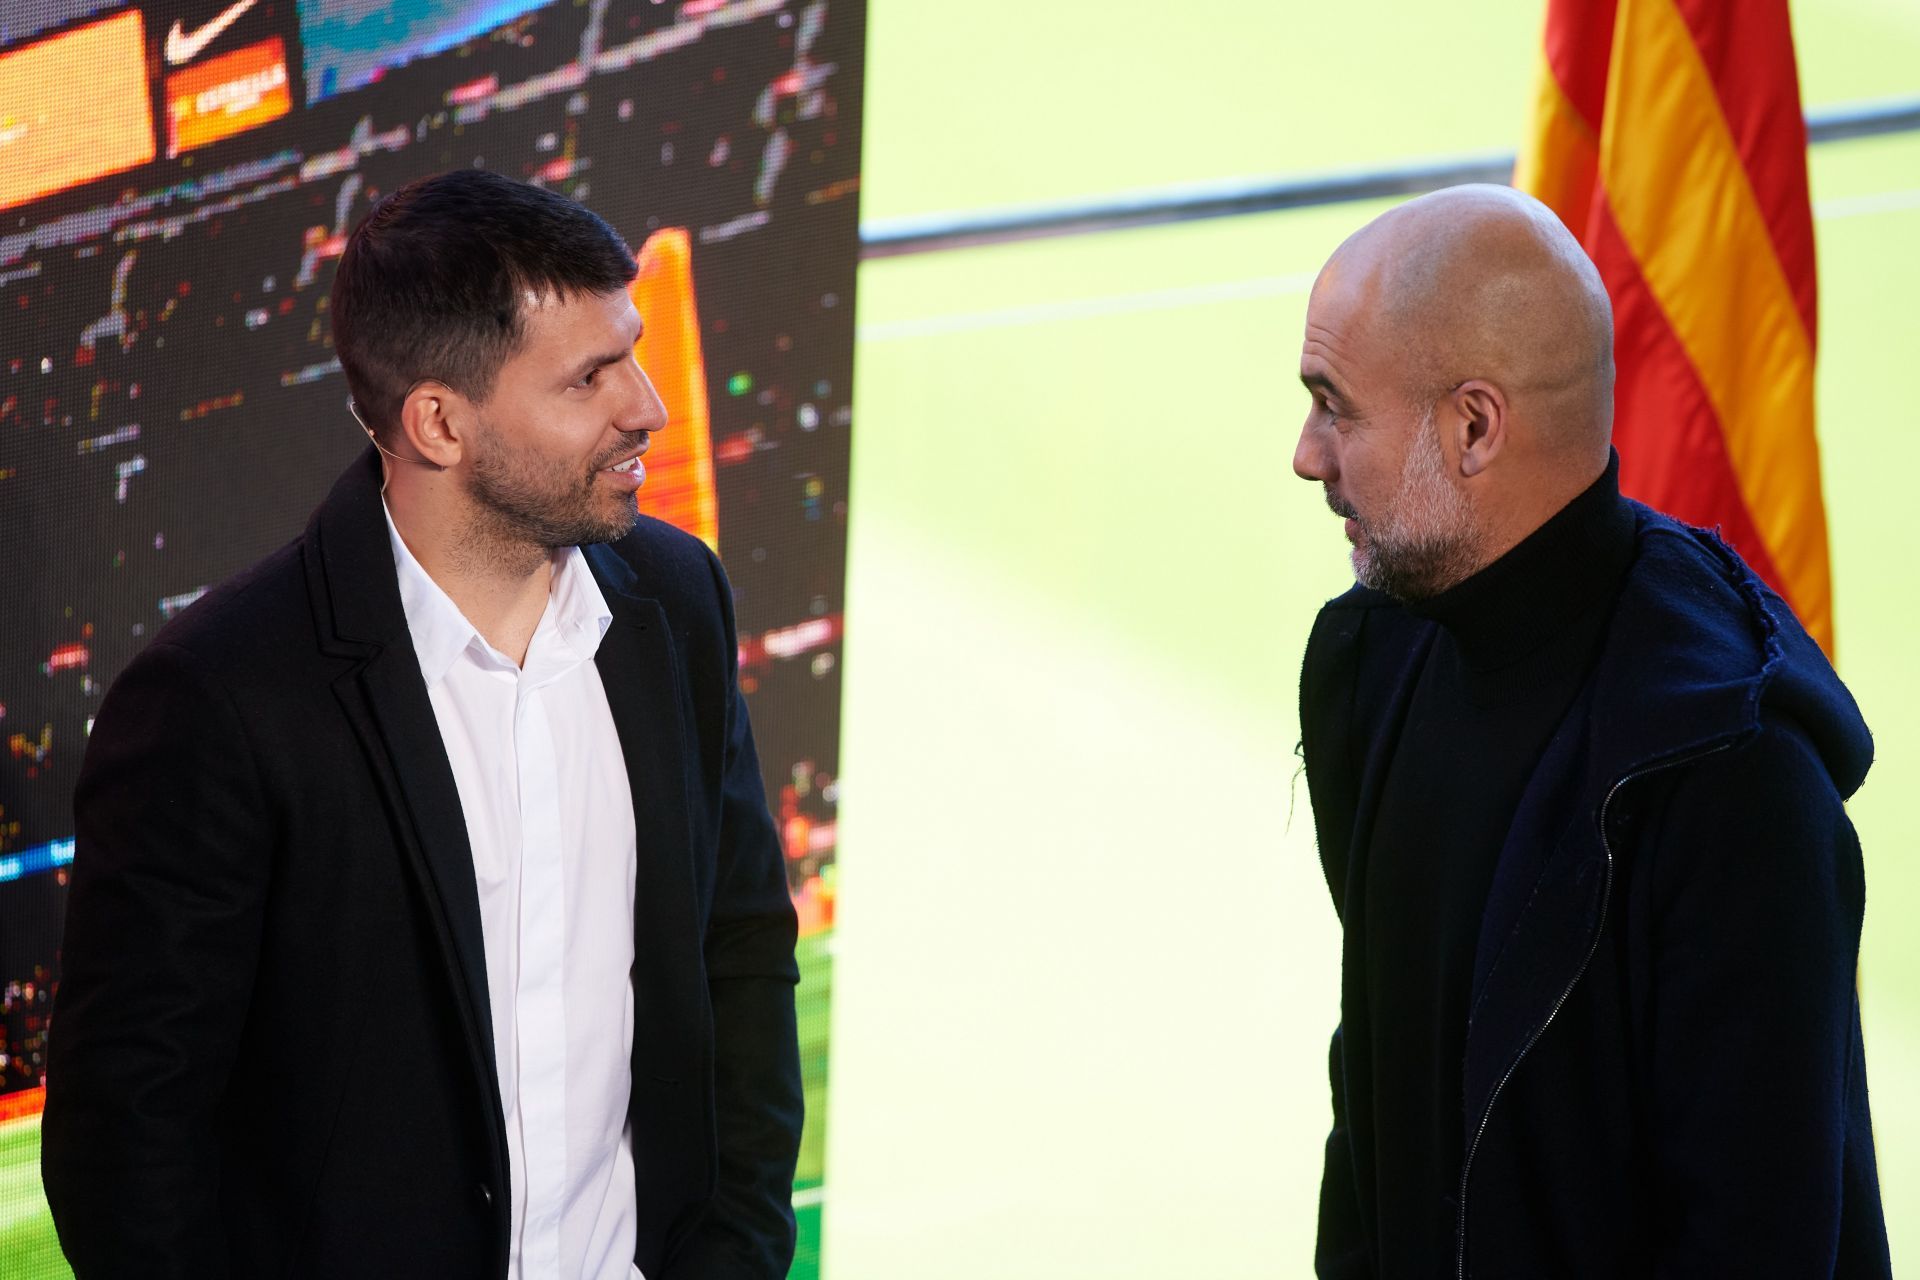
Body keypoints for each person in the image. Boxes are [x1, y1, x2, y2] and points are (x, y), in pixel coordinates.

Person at [42, 169, 802, 1279]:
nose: (648, 405)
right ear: (439, 422)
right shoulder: (218, 697)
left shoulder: (675, 600)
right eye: (591, 376)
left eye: (630, 352)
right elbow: (128, 1136)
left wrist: (733, 1252)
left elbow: (738, 945)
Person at [1292, 184, 1890, 1278]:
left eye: (1337, 406)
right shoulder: (1363, 665)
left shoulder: (1732, 775)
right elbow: (1371, 1118)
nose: (1305, 453)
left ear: (1474, 425)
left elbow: (1757, 1241)